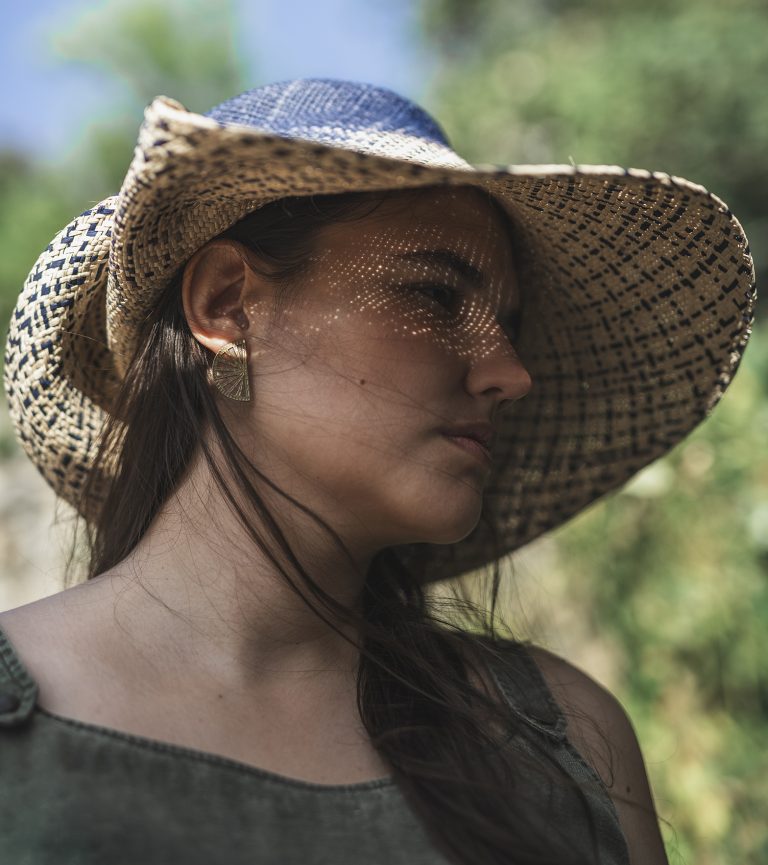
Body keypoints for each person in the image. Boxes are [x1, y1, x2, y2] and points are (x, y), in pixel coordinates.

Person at [0, 78, 755, 865]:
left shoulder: (568, 739)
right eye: (434, 292)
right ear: (226, 306)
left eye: (510, 327)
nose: (510, 373)